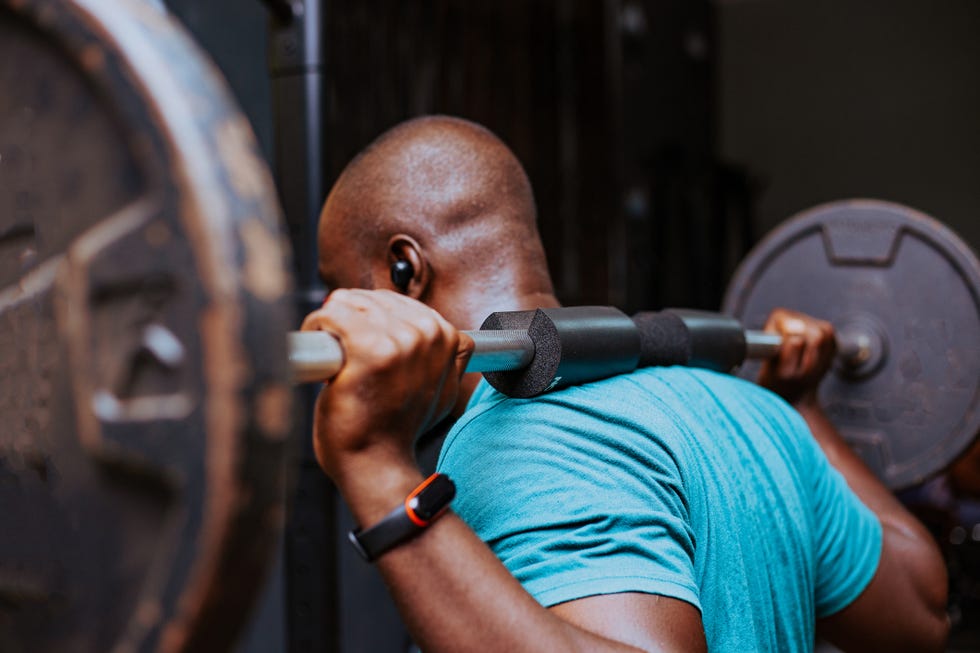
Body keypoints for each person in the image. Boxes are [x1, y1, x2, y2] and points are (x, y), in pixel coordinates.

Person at [300, 116, 948, 651]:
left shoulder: (524, 439)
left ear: (405, 269)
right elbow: (919, 610)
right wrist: (804, 407)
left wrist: (378, 471)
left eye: (346, 288)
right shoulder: (753, 408)